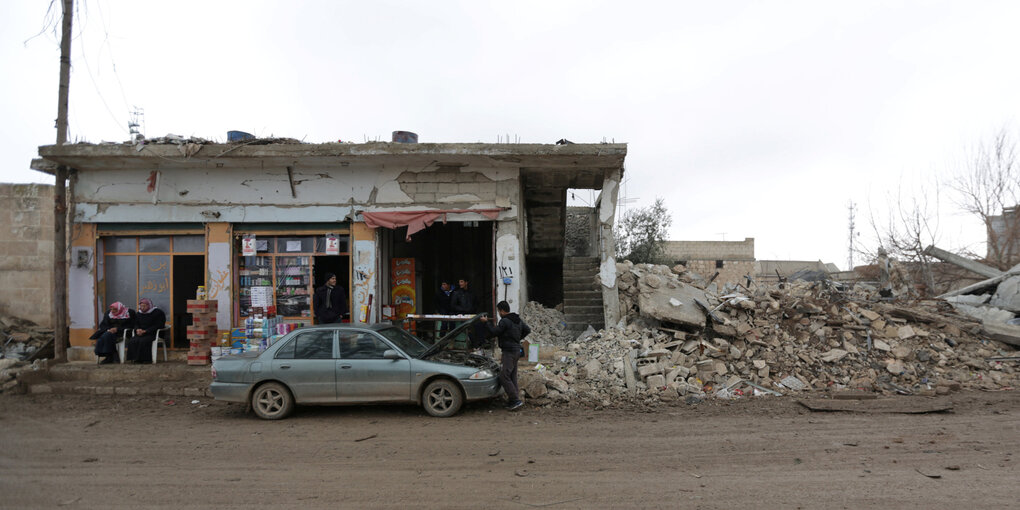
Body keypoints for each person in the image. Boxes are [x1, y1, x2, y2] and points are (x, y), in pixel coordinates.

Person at [481, 300, 530, 411]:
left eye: (498, 311)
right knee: (512, 376)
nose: (498, 313)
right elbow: (527, 330)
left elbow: (494, 332)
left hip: (509, 352)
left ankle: (515, 400)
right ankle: (513, 400)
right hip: (517, 351)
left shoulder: (505, 321)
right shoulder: (517, 320)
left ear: (502, 311)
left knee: (504, 377)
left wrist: (486, 323)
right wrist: (517, 338)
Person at [125, 298, 167, 363]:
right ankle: (135, 359)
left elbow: (159, 325)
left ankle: (146, 360)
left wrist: (146, 331)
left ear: (149, 305)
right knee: (133, 341)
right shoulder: (139, 313)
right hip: (141, 333)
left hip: (153, 333)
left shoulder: (158, 312)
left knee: (143, 341)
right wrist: (137, 329)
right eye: (141, 306)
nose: (142, 308)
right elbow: (136, 323)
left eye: (144, 306)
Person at [451, 278, 486, 347]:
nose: (460, 283)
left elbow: (476, 303)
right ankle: (474, 345)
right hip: (462, 315)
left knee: (479, 325)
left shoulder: (472, 292)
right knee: (468, 329)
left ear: (466, 282)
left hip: (472, 314)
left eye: (461, 282)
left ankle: (482, 343)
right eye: (459, 282)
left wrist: (473, 309)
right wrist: (463, 309)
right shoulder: (457, 293)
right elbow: (453, 305)